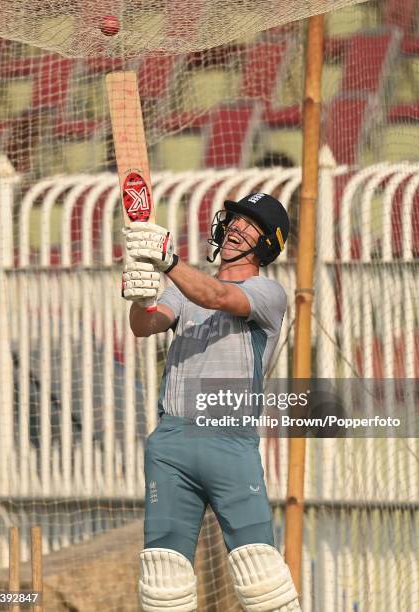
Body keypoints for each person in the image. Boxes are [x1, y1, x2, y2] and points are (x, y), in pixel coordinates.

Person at [123, 193, 301, 612]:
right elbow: (146, 326)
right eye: (235, 218)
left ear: (269, 242)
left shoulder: (267, 293)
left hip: (229, 442)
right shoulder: (184, 292)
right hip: (171, 443)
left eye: (251, 223)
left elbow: (219, 298)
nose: (237, 227)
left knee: (262, 581)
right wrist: (140, 293)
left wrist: (168, 263)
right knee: (163, 584)